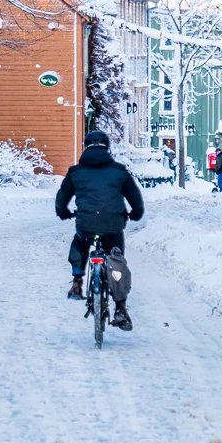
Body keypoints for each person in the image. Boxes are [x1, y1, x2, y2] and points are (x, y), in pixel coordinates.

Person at [54, 129, 144, 331]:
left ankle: (77, 282)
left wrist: (63, 212)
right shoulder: (119, 171)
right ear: (107, 148)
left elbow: (62, 197)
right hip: (113, 226)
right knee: (116, 258)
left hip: (85, 223)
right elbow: (134, 197)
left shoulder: (75, 172)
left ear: (86, 147)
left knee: (80, 241)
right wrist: (136, 213)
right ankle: (120, 306)